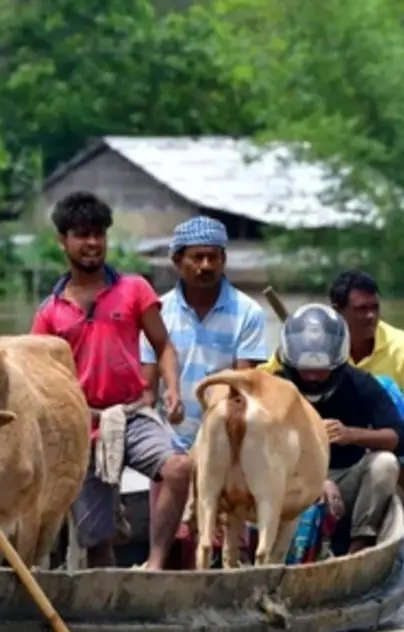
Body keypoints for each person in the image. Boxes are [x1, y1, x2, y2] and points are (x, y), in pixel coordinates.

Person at [30, 190, 190, 570]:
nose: (92, 243)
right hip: (82, 423)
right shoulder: (50, 312)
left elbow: (164, 346)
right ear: (63, 241)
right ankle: (109, 592)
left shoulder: (134, 289)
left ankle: (154, 564)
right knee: (97, 541)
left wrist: (173, 392)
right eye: (82, 234)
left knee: (179, 469)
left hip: (131, 413)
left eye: (98, 234)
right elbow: (37, 378)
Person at [138, 216, 271, 567]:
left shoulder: (248, 312)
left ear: (224, 260)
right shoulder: (157, 312)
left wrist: (211, 445)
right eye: (197, 257)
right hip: (172, 444)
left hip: (228, 440)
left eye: (213, 257)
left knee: (228, 543)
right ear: (177, 262)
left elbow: (243, 389)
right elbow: (147, 389)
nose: (206, 265)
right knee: (172, 546)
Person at [272, 304, 404, 555]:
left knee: (385, 463)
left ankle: (360, 545)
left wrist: (351, 435)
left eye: (321, 371)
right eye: (307, 371)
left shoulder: (360, 383)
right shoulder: (277, 387)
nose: (314, 378)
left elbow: (400, 439)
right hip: (291, 484)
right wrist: (318, 482)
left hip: (348, 480)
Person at [329, 269, 404, 534]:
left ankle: (368, 531)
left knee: (384, 388)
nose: (370, 316)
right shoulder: (316, 343)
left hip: (391, 457)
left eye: (375, 308)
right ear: (337, 311)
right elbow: (268, 379)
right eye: (361, 309)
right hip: (333, 459)